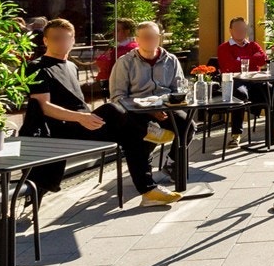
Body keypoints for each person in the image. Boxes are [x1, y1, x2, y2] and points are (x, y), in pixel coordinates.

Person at [21, 19, 180, 206]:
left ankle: (148, 191)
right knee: (113, 108)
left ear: (73, 41)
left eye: (66, 38)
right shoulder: (37, 67)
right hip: (61, 129)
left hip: (85, 125)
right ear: (45, 41)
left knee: (131, 135)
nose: (61, 42)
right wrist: (81, 117)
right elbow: (44, 107)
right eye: (56, 38)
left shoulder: (71, 66)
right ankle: (149, 131)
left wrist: (85, 118)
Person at [109, 22, 191, 167]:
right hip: (137, 112)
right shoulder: (125, 63)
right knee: (145, 132)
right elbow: (118, 98)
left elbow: (178, 90)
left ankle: (173, 163)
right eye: (146, 37)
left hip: (166, 108)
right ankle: (144, 168)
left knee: (188, 126)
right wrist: (149, 109)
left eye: (154, 36)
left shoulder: (171, 60)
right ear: (137, 39)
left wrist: (165, 106)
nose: (150, 40)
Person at [216, 17, 268, 145]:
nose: (241, 31)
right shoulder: (224, 48)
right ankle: (236, 134)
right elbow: (230, 66)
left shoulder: (253, 45)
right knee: (239, 95)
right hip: (235, 82)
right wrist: (252, 59)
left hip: (254, 81)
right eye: (238, 29)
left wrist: (242, 60)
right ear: (231, 31)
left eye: (243, 29)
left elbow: (262, 59)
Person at [96, 19, 137, 85]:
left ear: (127, 32)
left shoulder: (128, 49)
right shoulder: (121, 47)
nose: (113, 33)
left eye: (117, 30)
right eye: (113, 30)